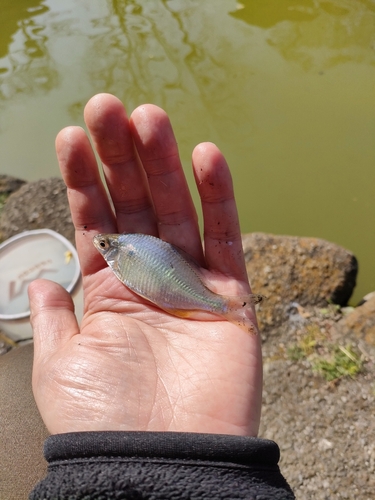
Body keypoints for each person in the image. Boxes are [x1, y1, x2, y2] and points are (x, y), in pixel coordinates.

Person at [27, 93, 294, 499]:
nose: (102, 246)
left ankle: (225, 310)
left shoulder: (121, 251)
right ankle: (224, 309)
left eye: (104, 245)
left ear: (111, 248)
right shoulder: (119, 251)